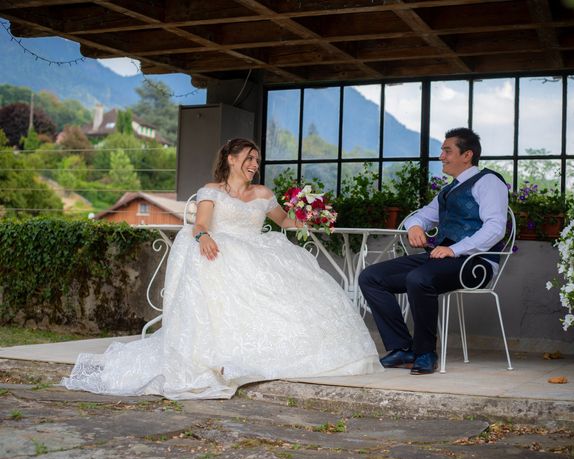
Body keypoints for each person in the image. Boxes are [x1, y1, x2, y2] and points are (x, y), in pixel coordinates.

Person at [62, 138, 382, 399]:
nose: (255, 165)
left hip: (258, 250)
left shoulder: (263, 194)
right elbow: (200, 224)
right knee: (215, 266)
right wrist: (202, 237)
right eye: (249, 158)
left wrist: (311, 215)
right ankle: (218, 357)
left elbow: (285, 222)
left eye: (257, 160)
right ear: (231, 158)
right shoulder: (211, 190)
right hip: (221, 247)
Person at [358, 128, 508, 375]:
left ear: (467, 155)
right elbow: (422, 216)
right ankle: (402, 348)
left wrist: (454, 250)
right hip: (439, 259)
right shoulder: (448, 191)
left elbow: (495, 229)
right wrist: (415, 226)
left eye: (447, 151)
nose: (441, 156)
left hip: (476, 263)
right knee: (371, 277)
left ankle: (425, 352)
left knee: (419, 278)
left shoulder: (489, 182)